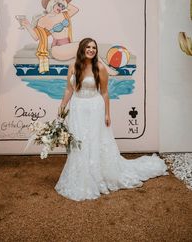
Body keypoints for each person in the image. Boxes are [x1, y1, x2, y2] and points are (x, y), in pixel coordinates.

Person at [55, 38, 168, 201]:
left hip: (95, 108)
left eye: (94, 47)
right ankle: (80, 173)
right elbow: (68, 90)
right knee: (79, 142)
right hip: (77, 108)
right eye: (88, 47)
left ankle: (96, 175)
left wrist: (107, 114)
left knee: (94, 141)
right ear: (82, 49)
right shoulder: (73, 66)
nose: (91, 50)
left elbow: (105, 92)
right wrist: (62, 107)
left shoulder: (99, 67)